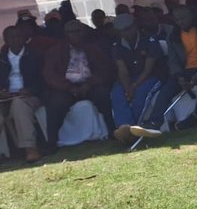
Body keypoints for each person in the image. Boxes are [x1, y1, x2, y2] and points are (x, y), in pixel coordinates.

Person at [131, 5, 197, 137]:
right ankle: (154, 122)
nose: (180, 22)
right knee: (166, 90)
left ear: (191, 16)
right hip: (185, 71)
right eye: (177, 20)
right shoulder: (174, 35)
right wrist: (179, 76)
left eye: (183, 19)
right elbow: (173, 60)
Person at [42, 19, 117, 149]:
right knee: (55, 103)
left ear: (84, 32)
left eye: (78, 31)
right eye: (71, 32)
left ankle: (112, 131)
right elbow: (49, 74)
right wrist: (68, 87)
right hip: (66, 87)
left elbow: (104, 70)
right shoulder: (56, 51)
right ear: (65, 34)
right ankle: (51, 142)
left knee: (103, 95)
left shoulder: (93, 49)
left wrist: (89, 83)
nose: (75, 35)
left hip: (89, 85)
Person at [109, 13, 163, 141]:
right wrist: (128, 88)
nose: (126, 33)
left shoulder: (149, 40)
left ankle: (136, 128)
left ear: (134, 26)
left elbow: (148, 69)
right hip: (129, 79)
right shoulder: (116, 46)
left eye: (128, 29)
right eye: (122, 31)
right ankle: (124, 128)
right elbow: (122, 70)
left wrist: (134, 86)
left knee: (140, 94)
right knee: (117, 92)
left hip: (150, 76)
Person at [0, 24, 45, 162]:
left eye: (18, 36)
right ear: (5, 40)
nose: (15, 40)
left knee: (19, 105)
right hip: (6, 97)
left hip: (29, 96)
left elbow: (44, 79)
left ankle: (30, 148)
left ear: (24, 38)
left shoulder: (36, 55)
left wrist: (31, 89)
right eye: (11, 37)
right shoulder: (1, 59)